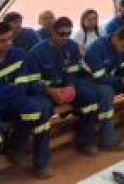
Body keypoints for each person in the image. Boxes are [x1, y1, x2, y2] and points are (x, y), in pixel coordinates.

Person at [0, 22, 54, 183]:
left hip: (12, 102)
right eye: (3, 40)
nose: (8, 43)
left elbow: (21, 89)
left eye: (10, 39)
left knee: (38, 111)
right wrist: (9, 88)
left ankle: (29, 156)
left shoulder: (19, 55)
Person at [29, 17, 102, 157]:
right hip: (44, 91)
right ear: (52, 32)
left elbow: (72, 72)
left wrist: (71, 86)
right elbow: (32, 83)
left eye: (68, 34)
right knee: (43, 110)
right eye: (61, 34)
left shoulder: (72, 46)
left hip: (65, 87)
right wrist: (50, 91)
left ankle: (85, 142)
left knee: (90, 96)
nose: (65, 37)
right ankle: (42, 160)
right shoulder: (36, 52)